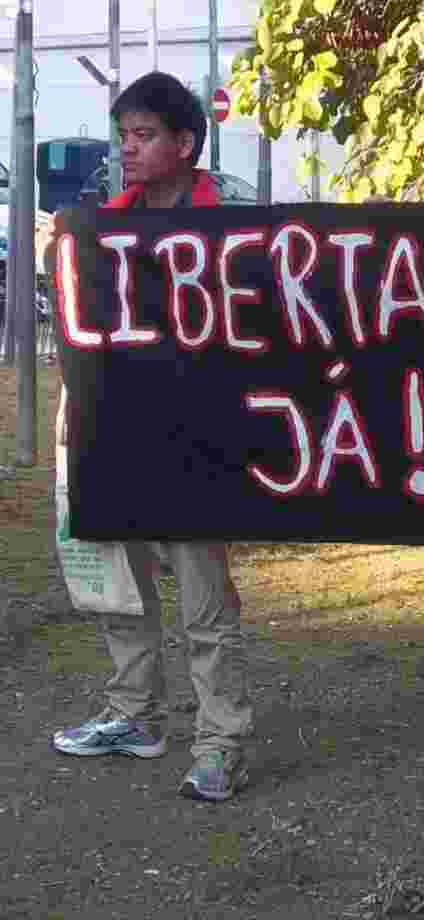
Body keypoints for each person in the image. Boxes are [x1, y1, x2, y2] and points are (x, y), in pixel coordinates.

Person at [50, 72, 252, 802]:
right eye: (123, 137)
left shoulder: (233, 215)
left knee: (205, 600)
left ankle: (222, 740)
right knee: (119, 586)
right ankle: (135, 714)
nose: (128, 150)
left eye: (144, 137)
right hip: (117, 431)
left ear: (184, 144)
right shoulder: (103, 224)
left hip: (200, 439)